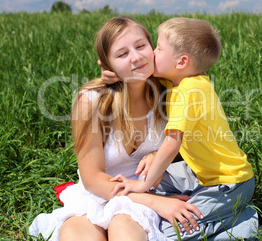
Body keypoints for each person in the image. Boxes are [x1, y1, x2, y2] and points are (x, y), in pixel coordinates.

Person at [29, 16, 202, 241]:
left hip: (148, 192)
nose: (136, 57)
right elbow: (92, 179)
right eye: (122, 54)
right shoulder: (91, 101)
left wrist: (156, 154)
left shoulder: (169, 92)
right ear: (106, 65)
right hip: (98, 194)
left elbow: (188, 143)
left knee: (123, 231)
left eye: (141, 46)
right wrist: (156, 202)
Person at [107, 17, 258, 240]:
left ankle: (250, 223)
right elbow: (142, 77)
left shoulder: (190, 93)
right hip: (201, 173)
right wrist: (117, 75)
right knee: (147, 185)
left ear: (181, 62)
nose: (153, 53)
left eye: (158, 47)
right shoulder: (182, 81)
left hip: (228, 185)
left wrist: (145, 185)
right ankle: (216, 216)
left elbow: (172, 142)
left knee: (169, 232)